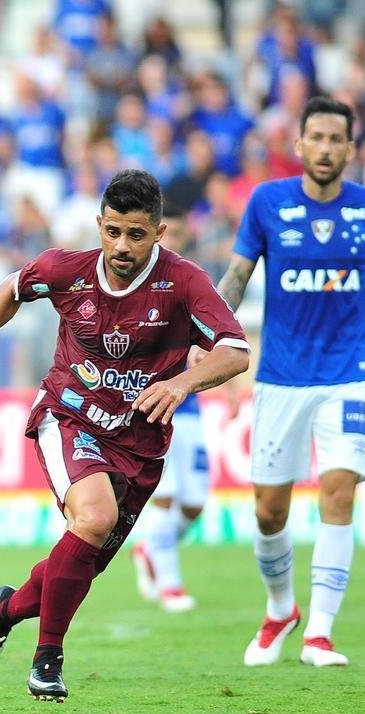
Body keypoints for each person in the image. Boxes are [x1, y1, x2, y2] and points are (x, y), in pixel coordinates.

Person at [0, 169, 250, 701]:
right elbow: (8, 290)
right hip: (70, 416)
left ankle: (4, 612)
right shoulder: (69, 270)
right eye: (112, 232)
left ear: (159, 233)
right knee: (94, 518)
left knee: (82, 559)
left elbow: (235, 351)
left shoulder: (184, 283)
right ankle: (47, 658)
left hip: (141, 443)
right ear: (99, 225)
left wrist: (182, 383)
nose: (121, 246)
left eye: (135, 234)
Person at [217, 96, 365, 669]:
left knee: (338, 493)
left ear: (351, 148)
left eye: (335, 140)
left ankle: (320, 632)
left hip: (349, 374)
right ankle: (280, 610)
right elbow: (236, 278)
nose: (324, 148)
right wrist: (215, 348)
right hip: (280, 377)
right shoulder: (267, 203)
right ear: (298, 145)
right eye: (314, 138)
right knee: (269, 512)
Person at [128, 206, 226, 613]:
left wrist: (228, 384)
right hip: (153, 408)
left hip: (191, 408)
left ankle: (151, 547)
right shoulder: (135, 286)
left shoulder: (190, 283)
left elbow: (215, 340)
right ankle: (170, 584)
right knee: (165, 498)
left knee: (194, 504)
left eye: (182, 234)